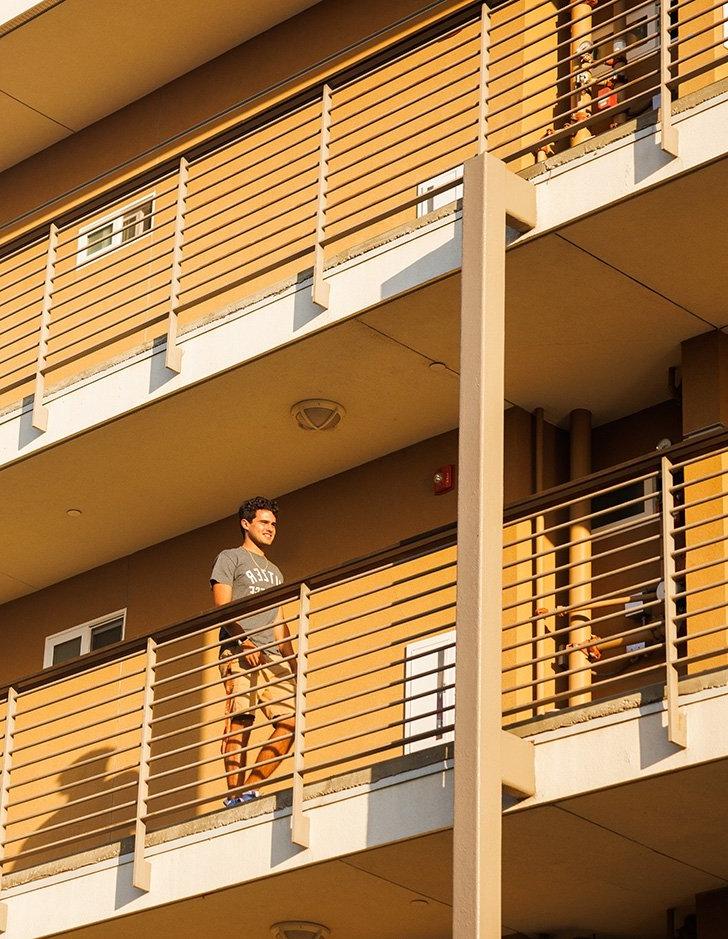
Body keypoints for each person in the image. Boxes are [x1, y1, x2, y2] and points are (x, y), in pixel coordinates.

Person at [210, 496, 296, 808]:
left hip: (272, 654)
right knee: (241, 720)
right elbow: (222, 606)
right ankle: (233, 797)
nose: (270, 528)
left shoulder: (276, 572)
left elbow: (279, 620)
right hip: (239, 649)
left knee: (289, 722)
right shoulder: (231, 557)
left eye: (273, 524)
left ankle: (250, 789)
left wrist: (292, 659)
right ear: (246, 524)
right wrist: (242, 640)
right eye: (263, 522)